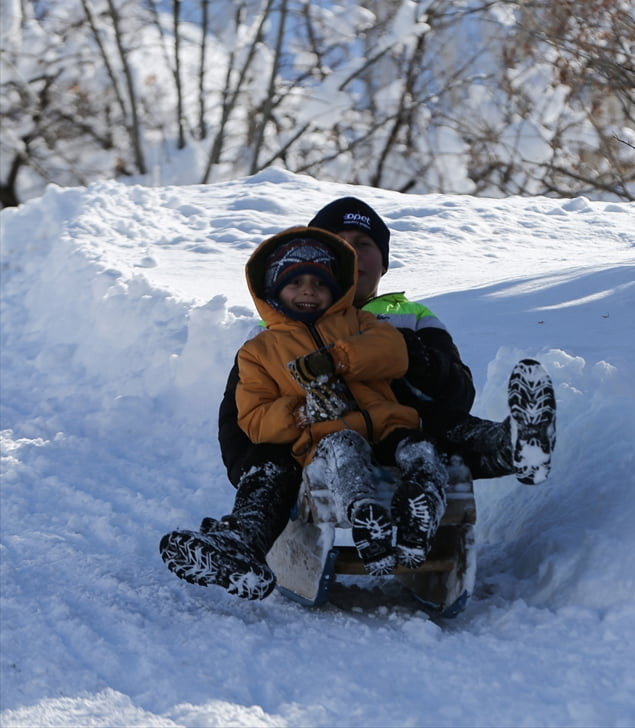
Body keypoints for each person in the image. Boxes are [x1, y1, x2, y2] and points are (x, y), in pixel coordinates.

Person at [160, 197, 556, 600]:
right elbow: (241, 417)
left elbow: (457, 392)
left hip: (403, 431)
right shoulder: (270, 335)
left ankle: (512, 446)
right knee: (271, 466)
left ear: (380, 262)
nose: (351, 250)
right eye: (340, 240)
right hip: (315, 447)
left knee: (438, 428)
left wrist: (409, 355)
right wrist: (259, 467)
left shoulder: (408, 317)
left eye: (363, 243)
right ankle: (245, 537)